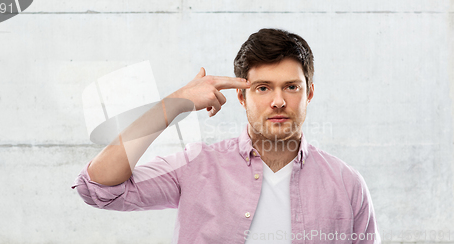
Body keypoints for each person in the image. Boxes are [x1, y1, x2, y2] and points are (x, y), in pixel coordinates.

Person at [72, 28, 381, 244]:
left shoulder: (347, 184)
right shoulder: (197, 166)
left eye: (291, 87)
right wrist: (173, 104)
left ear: (309, 93)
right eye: (262, 88)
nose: (278, 101)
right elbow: (99, 187)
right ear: (242, 97)